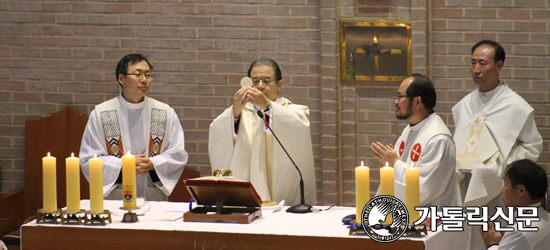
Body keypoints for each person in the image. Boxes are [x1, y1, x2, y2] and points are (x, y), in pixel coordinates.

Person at [79, 53, 188, 201]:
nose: (144, 80)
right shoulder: (101, 114)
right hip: (115, 202)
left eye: (148, 75)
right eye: (138, 74)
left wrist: (153, 163)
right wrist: (123, 164)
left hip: (153, 200)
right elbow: (89, 159)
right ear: (121, 78)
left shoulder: (165, 113)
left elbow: (178, 154)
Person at [208, 58, 316, 205]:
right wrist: (235, 113)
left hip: (281, 191)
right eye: (255, 80)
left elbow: (298, 129)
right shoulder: (240, 111)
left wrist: (267, 106)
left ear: (279, 84)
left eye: (266, 80)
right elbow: (218, 133)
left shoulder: (293, 111)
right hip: (246, 195)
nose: (260, 86)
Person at [453, 40, 542, 209]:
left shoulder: (516, 106)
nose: (476, 69)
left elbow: (533, 146)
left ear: (499, 65)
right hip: (465, 183)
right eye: (473, 63)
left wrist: (503, 166)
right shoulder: (464, 105)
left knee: (494, 231)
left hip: (498, 185)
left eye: (482, 63)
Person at [371, 74, 458, 207]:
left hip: (433, 219)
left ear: (417, 102)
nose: (396, 101)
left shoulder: (438, 139)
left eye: (400, 96)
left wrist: (394, 162)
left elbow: (425, 188)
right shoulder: (410, 130)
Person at [480, 159, 550, 250]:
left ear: (520, 190)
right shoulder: (545, 217)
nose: (502, 190)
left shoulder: (521, 231)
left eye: (505, 184)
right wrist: (504, 241)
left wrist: (491, 243)